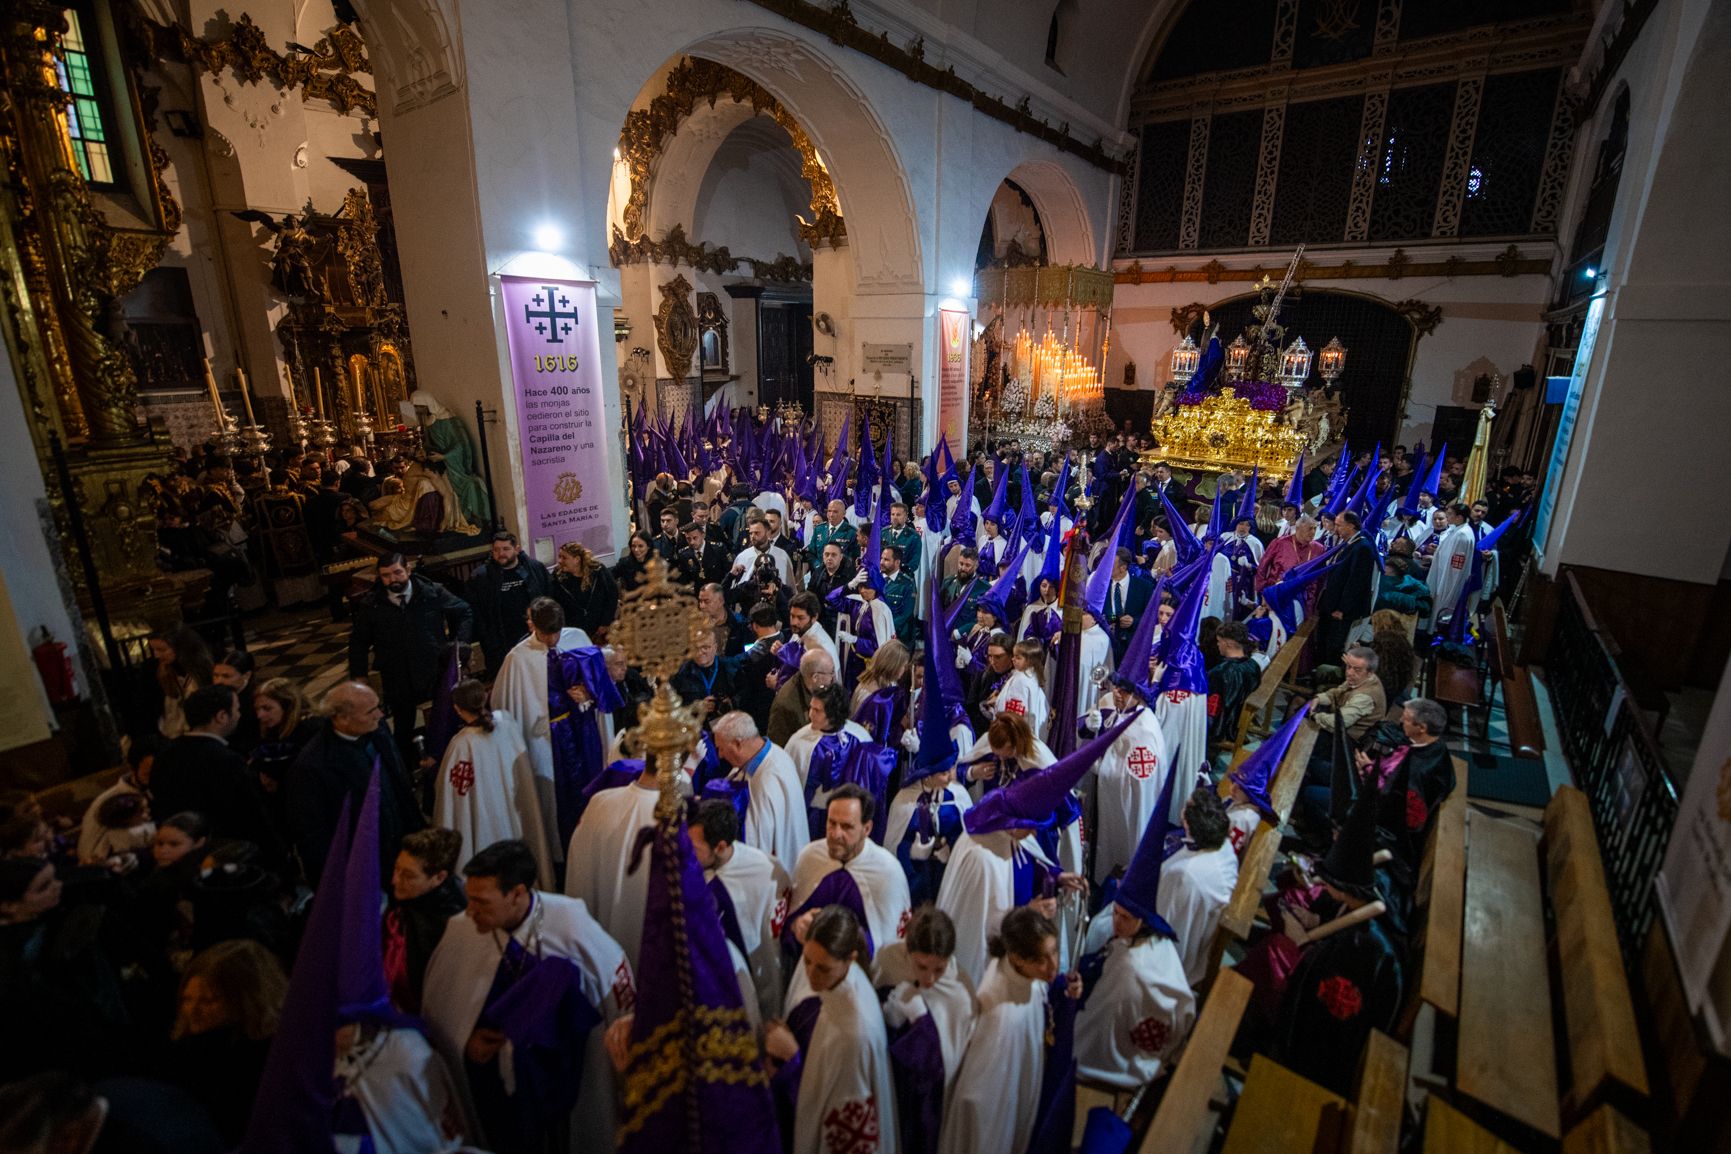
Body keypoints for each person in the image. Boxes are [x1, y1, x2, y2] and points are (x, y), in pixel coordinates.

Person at [421, 839, 633, 1154]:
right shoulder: (462, 930)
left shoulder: (570, 923)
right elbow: (442, 1009)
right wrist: (465, 1041)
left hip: (563, 1079)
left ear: (517, 893)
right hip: (493, 1087)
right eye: (469, 899)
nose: (470, 911)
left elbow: (614, 989)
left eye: (482, 902)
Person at [1074, 795, 1195, 1091]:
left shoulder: (1129, 969)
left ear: (1143, 920)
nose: (1116, 922)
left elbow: (1097, 1021)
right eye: (1115, 912)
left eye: (1125, 917)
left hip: (1123, 1056)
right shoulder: (1155, 939)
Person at [937, 905, 1078, 1154]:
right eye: (1040, 959)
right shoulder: (1001, 1018)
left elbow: (1043, 998)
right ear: (1017, 958)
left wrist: (1066, 993)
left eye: (1054, 951)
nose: (1053, 966)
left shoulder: (1023, 975)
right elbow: (976, 1098)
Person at [764, 904, 898, 1154]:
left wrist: (792, 1061)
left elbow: (840, 1126)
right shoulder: (846, 982)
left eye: (823, 968)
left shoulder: (852, 1035)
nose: (811, 975)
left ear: (851, 960)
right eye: (806, 961)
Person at [288, 682, 428, 886]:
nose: (380, 715)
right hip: (363, 867)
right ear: (343, 718)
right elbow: (314, 837)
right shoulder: (312, 766)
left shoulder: (376, 731)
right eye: (371, 711)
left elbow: (400, 787)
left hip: (401, 849)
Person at [783, 786, 913, 1001]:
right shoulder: (810, 857)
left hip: (861, 989)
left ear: (867, 828)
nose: (835, 834)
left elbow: (889, 946)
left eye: (846, 827)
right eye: (831, 823)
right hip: (807, 985)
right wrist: (797, 926)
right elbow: (789, 922)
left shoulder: (887, 872)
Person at [490, 597, 593, 858]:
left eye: (557, 632)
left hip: (581, 729)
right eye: (546, 633)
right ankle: (558, 854)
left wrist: (588, 691)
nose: (553, 640)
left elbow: (598, 676)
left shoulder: (577, 638)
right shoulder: (517, 659)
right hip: (546, 740)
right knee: (552, 799)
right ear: (532, 626)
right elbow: (505, 706)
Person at [349, 553, 474, 762]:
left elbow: (464, 611)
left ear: (408, 570)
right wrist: (359, 676)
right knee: (403, 728)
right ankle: (407, 771)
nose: (393, 579)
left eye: (397, 572)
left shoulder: (431, 592)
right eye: (386, 575)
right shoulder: (372, 604)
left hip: (432, 668)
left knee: (443, 720)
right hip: (397, 675)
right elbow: (358, 642)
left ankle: (446, 761)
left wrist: (459, 645)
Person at [164, 939, 287, 1143]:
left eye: (208, 1001)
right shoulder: (183, 1048)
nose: (193, 1010)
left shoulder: (256, 1061)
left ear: (246, 1000)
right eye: (187, 999)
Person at [434, 679, 552, 886]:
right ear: (486, 697)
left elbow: (449, 797)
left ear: (457, 709)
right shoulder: (506, 723)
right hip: (514, 811)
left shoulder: (460, 745)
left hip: (483, 819)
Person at [880, 907, 977, 1154]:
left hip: (933, 1096)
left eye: (939, 969)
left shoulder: (960, 990)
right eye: (921, 967)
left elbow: (951, 1058)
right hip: (893, 1081)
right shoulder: (888, 961)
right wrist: (890, 1017)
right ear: (908, 951)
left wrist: (920, 1022)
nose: (930, 979)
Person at [149, 685, 279, 858]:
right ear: (222, 716)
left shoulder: (164, 755)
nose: (239, 714)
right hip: (226, 853)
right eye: (236, 709)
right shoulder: (227, 760)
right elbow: (251, 815)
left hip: (183, 851)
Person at [562, 757, 662, 971]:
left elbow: (578, 865)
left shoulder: (600, 802)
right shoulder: (675, 816)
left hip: (601, 936)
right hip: (650, 940)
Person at [1155, 786, 1238, 987]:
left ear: (1188, 823)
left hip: (1178, 952)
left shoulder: (1186, 876)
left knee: (1100, 928)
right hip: (1196, 915)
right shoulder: (1222, 844)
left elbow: (1168, 921)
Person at [708, 710, 810, 869]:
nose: (720, 755)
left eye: (721, 748)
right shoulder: (772, 752)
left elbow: (757, 843)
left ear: (738, 744)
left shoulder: (766, 781)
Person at [383, 827, 467, 1015]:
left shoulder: (452, 926)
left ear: (439, 877)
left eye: (408, 875)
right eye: (396, 869)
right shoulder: (404, 903)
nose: (395, 880)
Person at [464, 532, 554, 675]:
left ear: (516, 549)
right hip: (500, 643)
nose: (501, 554)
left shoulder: (535, 569)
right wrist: (488, 639)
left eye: (506, 549)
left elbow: (549, 599)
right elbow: (476, 612)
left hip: (534, 636)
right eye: (496, 550)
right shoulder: (481, 577)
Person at [1314, 510, 1379, 667]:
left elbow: (1356, 582)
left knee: (1334, 645)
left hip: (1341, 610)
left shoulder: (1362, 547)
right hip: (1332, 604)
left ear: (1351, 526)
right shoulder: (1348, 543)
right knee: (1324, 640)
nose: (1336, 529)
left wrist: (1343, 608)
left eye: (1339, 525)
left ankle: (1330, 676)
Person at [77, 736, 156, 865]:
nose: (155, 778)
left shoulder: (152, 790)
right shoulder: (113, 801)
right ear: (132, 769)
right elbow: (90, 851)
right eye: (148, 774)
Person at [148, 624, 214, 740]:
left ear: (180, 647)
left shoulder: (200, 668)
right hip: (174, 732)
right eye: (154, 650)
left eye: (162, 650)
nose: (156, 655)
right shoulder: (159, 670)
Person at [1205, 621, 1262, 748]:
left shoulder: (1221, 672)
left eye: (1219, 641)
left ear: (1228, 643)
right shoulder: (1253, 665)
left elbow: (1210, 706)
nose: (1218, 645)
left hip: (1224, 725)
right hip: (1239, 719)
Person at [550, 541, 618, 640]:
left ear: (577, 559)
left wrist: (605, 622)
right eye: (559, 557)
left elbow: (612, 595)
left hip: (600, 631)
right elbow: (554, 604)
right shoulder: (557, 578)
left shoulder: (598, 571)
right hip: (573, 633)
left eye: (564, 557)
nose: (559, 561)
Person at [768, 649, 835, 747]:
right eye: (831, 673)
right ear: (815, 677)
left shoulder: (817, 688)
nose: (833, 677)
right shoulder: (786, 703)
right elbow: (778, 746)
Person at [211, 651, 259, 754]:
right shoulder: (215, 694)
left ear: (246, 675)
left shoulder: (255, 701)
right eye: (215, 675)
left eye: (226, 676)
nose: (218, 681)